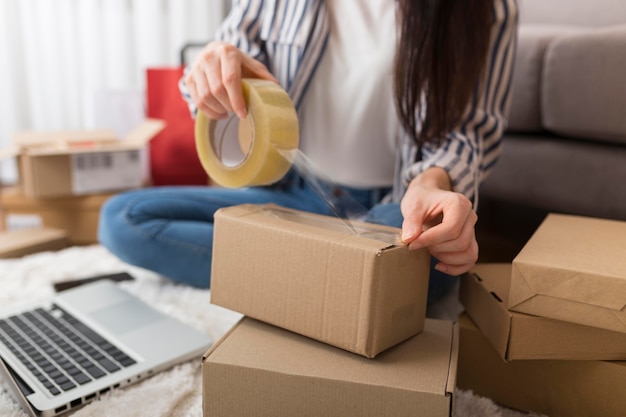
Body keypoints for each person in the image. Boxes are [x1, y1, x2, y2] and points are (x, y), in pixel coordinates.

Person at [98, 0, 518, 305]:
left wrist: (432, 184)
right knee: (122, 220)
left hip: (391, 206)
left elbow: (468, 132)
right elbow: (220, 72)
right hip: (292, 193)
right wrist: (211, 69)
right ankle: (346, 286)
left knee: (413, 250)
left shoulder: (487, 10)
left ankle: (317, 278)